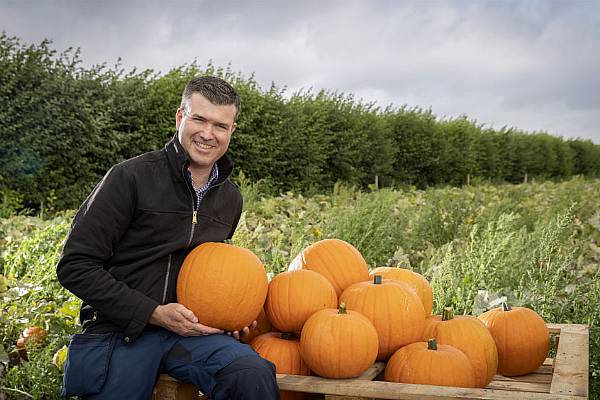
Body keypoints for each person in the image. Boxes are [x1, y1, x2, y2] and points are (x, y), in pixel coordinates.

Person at [56, 76, 280, 399]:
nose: (207, 133)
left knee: (252, 375)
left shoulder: (230, 199)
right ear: (180, 117)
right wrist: (153, 312)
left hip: (190, 335)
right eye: (199, 119)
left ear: (232, 131)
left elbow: (213, 271)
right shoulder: (130, 178)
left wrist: (232, 312)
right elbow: (74, 265)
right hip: (121, 331)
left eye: (220, 125)